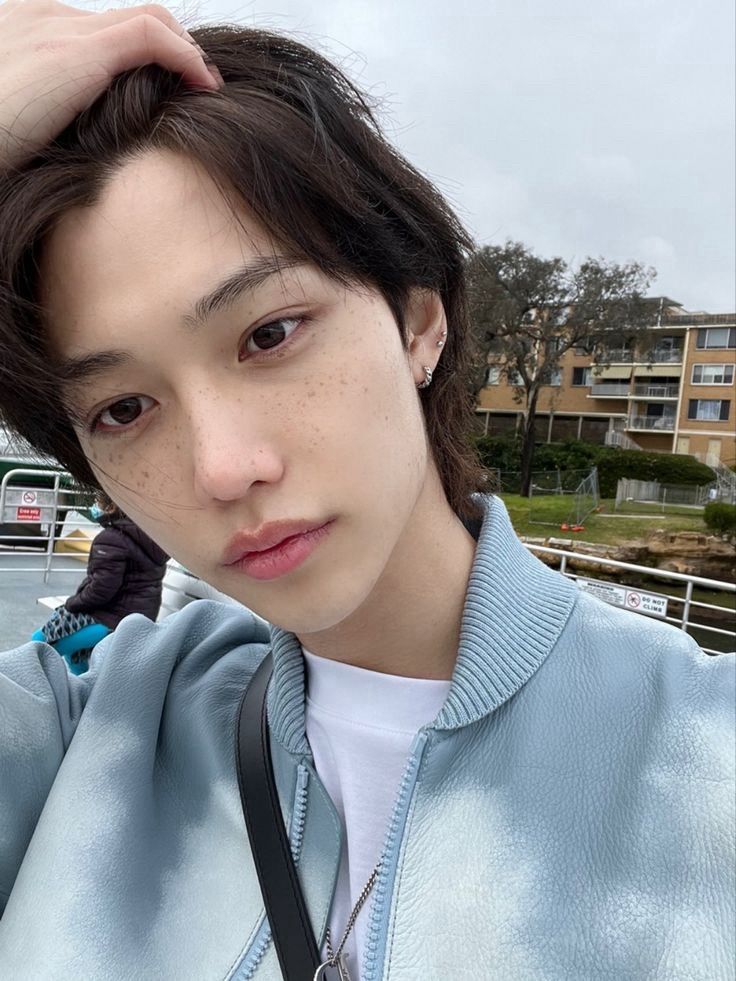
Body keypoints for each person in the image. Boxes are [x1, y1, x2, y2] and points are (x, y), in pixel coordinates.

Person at [0, 3, 733, 979]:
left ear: (419, 321)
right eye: (124, 408)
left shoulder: (703, 760)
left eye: (269, 334)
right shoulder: (81, 737)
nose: (223, 468)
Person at [32, 495, 170, 673]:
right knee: (75, 654)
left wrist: (71, 603)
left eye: (97, 502)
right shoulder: (151, 537)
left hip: (112, 619)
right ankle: (85, 687)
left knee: (39, 644)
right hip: (139, 615)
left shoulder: (112, 538)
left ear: (111, 506)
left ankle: (26, 685)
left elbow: (100, 591)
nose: (95, 506)